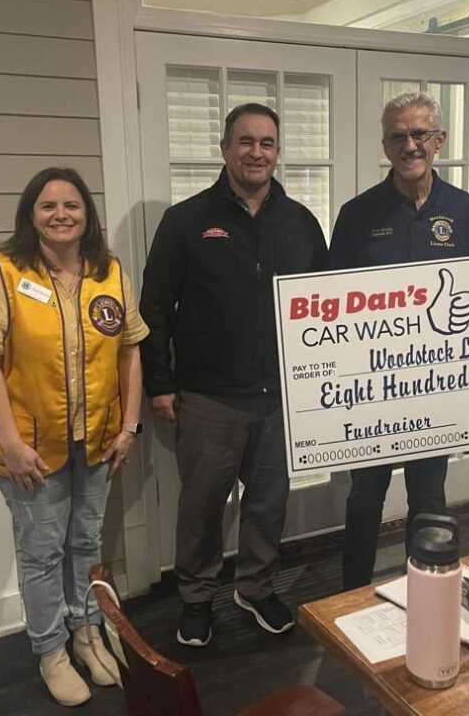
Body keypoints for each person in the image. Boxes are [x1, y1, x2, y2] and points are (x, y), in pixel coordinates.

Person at [140, 103, 327, 647]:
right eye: (245, 141)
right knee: (201, 506)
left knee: (268, 503)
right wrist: (160, 383)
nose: (256, 152)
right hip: (208, 398)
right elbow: (155, 308)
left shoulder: (300, 223)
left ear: (277, 152)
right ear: (225, 150)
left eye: (267, 143)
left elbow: (326, 307)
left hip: (280, 397)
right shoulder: (186, 221)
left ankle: (254, 585)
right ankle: (197, 596)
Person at [0, 167, 148, 707]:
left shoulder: (109, 272)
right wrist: (13, 444)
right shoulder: (4, 272)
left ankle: (88, 634)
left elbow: (131, 350)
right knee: (42, 551)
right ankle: (50, 650)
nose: (61, 214)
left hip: (95, 441)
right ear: (31, 215)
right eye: (48, 206)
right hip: (29, 451)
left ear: (86, 214)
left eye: (72, 204)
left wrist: (130, 425)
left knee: (86, 543)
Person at [328, 91, 469, 590]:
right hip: (371, 388)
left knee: (429, 497)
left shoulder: (467, 210)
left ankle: (429, 590)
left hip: (436, 387)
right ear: (385, 145)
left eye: (419, 134)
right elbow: (329, 300)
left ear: (439, 140)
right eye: (398, 136)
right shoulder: (355, 214)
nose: (409, 145)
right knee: (364, 497)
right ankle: (351, 598)